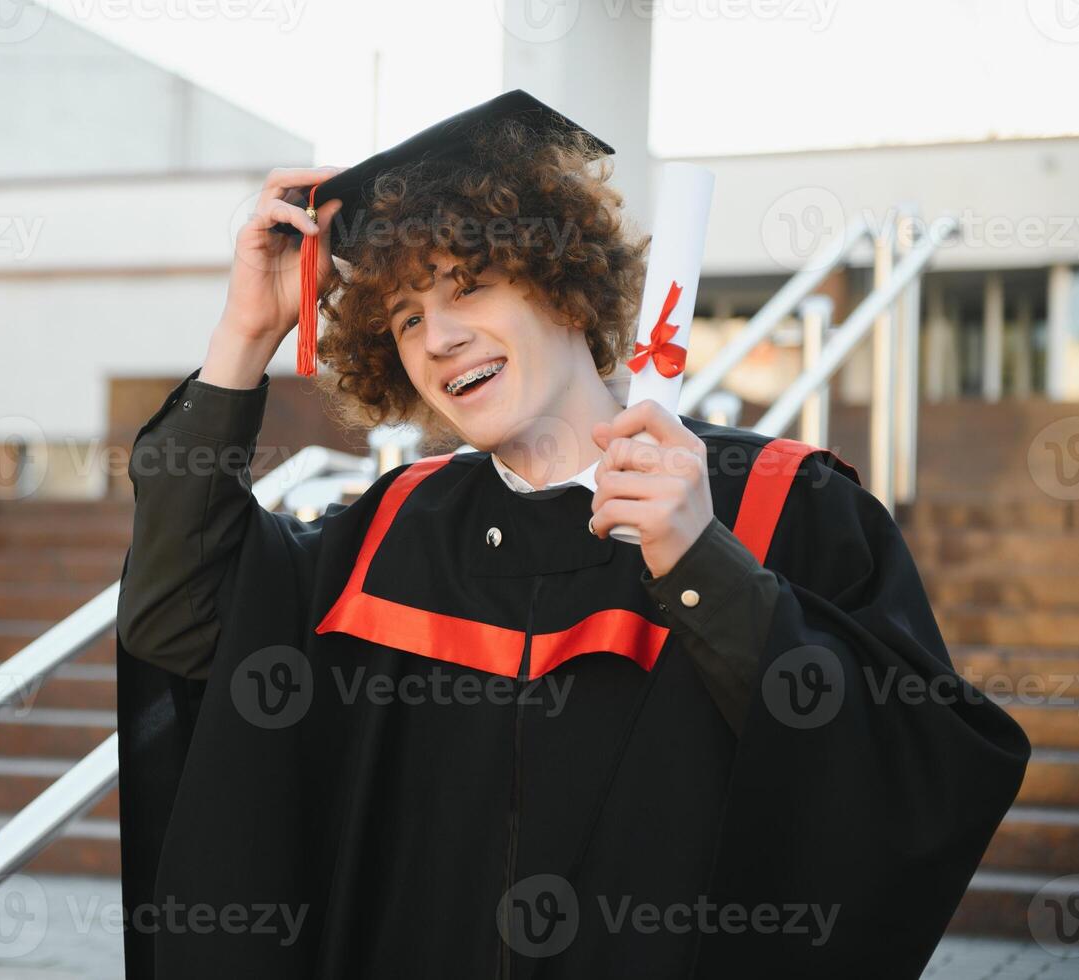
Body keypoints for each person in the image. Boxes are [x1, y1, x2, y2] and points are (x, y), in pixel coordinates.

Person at [114, 91, 1030, 979]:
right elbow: (180, 617)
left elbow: (920, 772)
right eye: (405, 319)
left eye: (468, 287)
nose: (438, 339)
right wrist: (244, 335)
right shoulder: (389, 533)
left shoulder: (779, 505)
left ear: (562, 287)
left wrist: (705, 568)